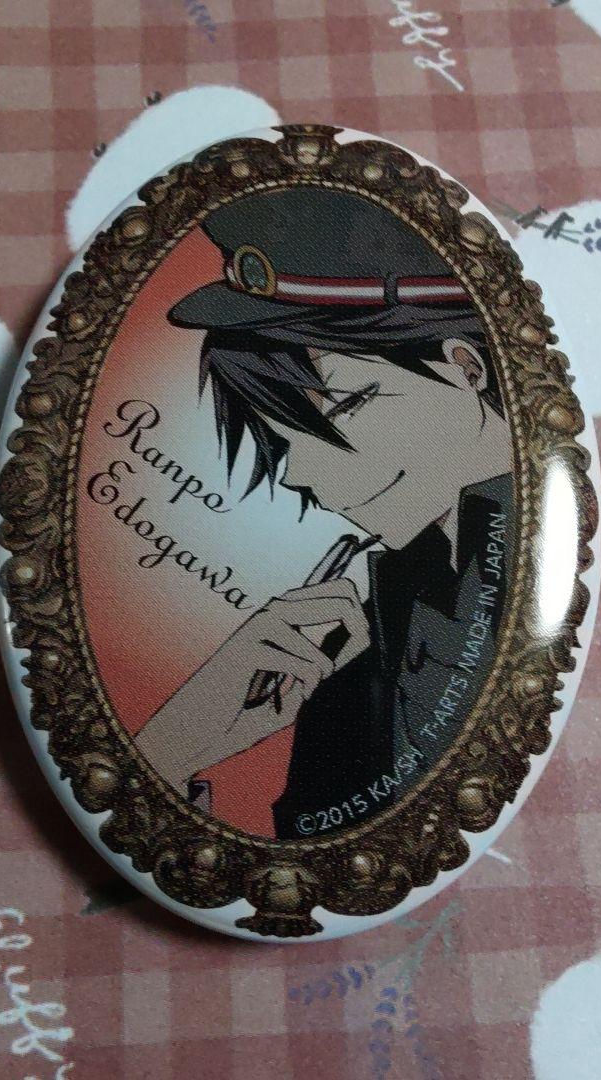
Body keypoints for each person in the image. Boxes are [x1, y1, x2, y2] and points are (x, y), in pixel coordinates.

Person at [135, 188, 514, 839]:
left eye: (345, 406)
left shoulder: (518, 575)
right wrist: (174, 748)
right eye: (284, 441)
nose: (300, 474)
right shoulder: (360, 638)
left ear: (464, 367)